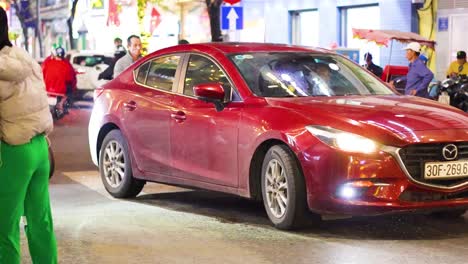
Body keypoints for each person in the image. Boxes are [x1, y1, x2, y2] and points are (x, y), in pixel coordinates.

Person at [0, 7, 58, 264]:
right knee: (40, 220)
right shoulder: (23, 57)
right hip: (40, 149)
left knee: (4, 227)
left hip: (13, 152)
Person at [42, 46, 77, 114]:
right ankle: (62, 104)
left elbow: (42, 72)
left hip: (47, 89)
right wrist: (73, 87)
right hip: (60, 91)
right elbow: (71, 79)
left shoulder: (48, 62)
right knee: (70, 92)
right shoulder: (67, 65)